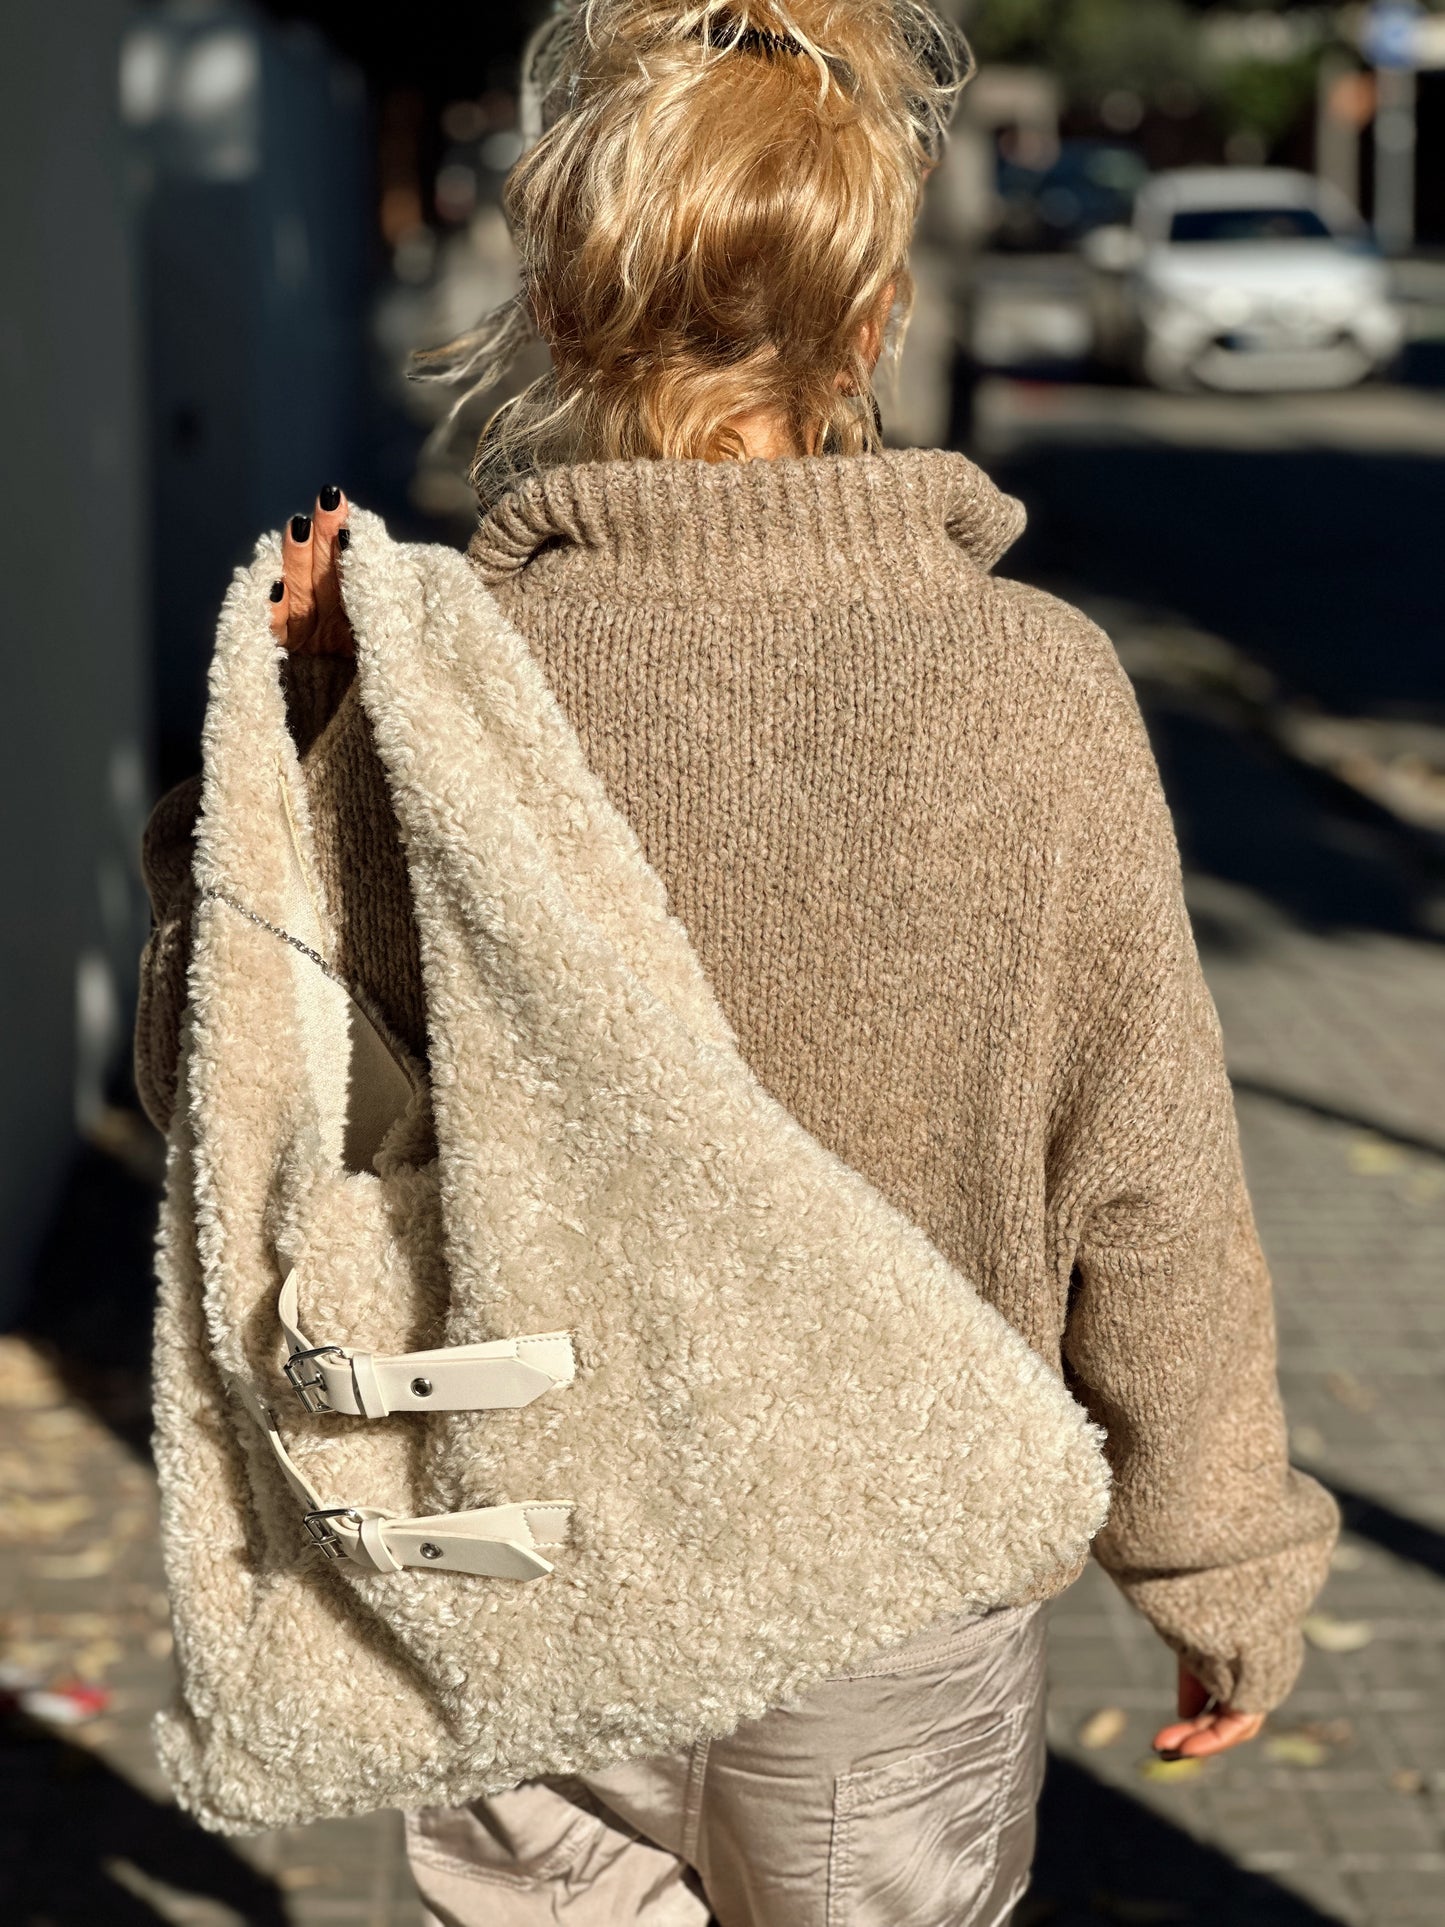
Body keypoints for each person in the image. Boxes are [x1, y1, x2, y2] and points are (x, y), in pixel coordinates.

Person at [135, 4, 1338, 1922]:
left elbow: (240, 1093)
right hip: (890, 1584)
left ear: (556, 309)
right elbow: (1152, 1171)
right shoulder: (1038, 688)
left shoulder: (446, 688)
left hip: (531, 1564)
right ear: (870, 320)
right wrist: (1219, 1568)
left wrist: (268, 758)